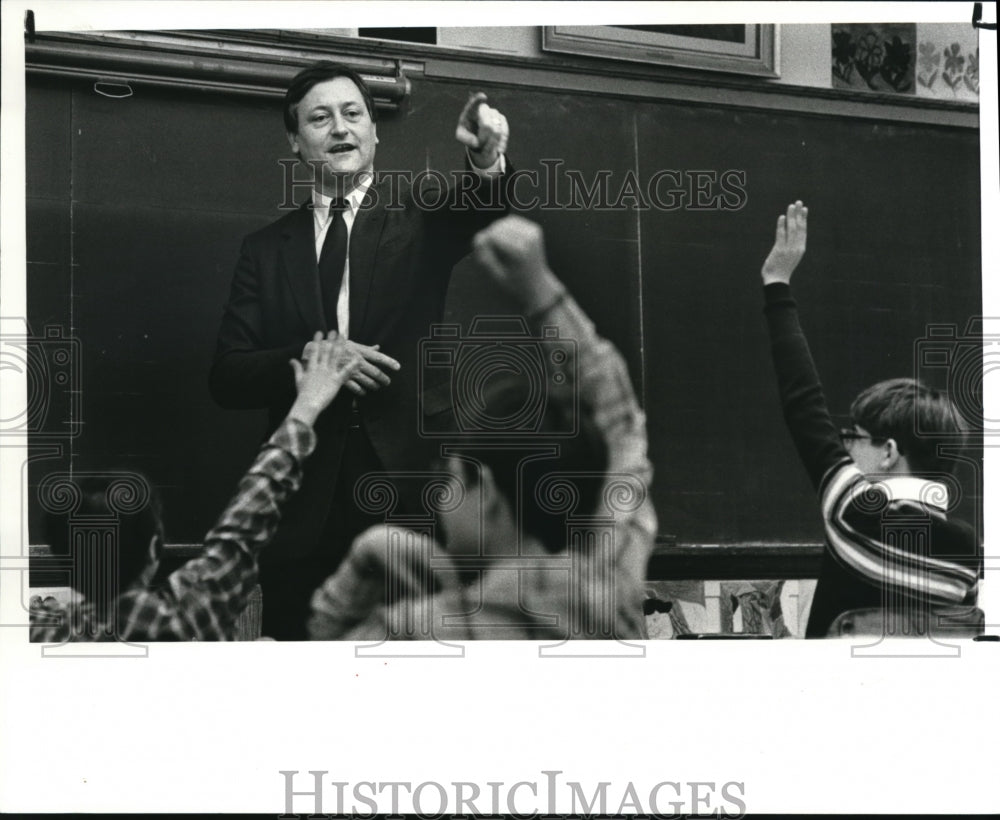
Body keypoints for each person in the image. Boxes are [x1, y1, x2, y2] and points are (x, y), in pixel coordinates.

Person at [209, 61, 513, 639]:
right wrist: (319, 357)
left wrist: (485, 161)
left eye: (353, 114)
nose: (340, 129)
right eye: (320, 119)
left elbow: (484, 206)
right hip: (302, 517)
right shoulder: (265, 251)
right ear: (296, 143)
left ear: (375, 131)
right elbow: (226, 375)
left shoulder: (421, 215)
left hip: (412, 507)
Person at [308, 216, 657, 640]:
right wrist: (542, 291)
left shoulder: (415, 632)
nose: (440, 503)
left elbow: (323, 671)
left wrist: (365, 565)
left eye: (449, 483)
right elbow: (621, 424)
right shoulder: (610, 590)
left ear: (486, 491)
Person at [31, 334, 362, 641]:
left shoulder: (46, 632)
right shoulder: (194, 609)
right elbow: (249, 512)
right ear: (154, 547)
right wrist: (308, 404)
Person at [760, 201, 981, 637]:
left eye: (854, 436)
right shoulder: (967, 554)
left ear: (889, 452)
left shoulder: (856, 513)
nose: (843, 446)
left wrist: (777, 283)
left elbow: (803, 403)